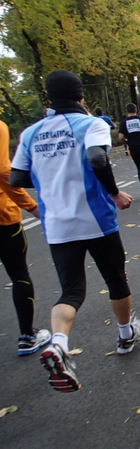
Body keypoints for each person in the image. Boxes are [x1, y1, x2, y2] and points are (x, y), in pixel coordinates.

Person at [10, 70, 140, 393]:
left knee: (71, 290)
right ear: (81, 97)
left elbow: (16, 178)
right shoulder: (93, 124)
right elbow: (97, 156)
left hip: (56, 222)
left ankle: (58, 343)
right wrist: (113, 192)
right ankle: (125, 335)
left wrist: (50, 178)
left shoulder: (30, 133)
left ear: (49, 99)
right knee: (116, 279)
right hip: (95, 218)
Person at [0, 119, 51, 356]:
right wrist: (31, 206)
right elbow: (3, 171)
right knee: (19, 273)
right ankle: (27, 336)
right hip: (3, 218)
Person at [118, 103, 140, 196]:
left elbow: (120, 137)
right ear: (136, 110)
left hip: (132, 148)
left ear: (127, 111)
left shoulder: (124, 122)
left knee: (139, 167)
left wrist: (127, 140)